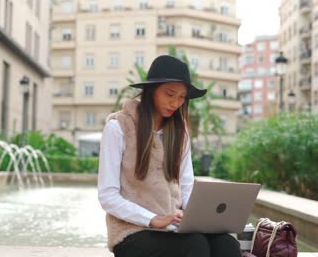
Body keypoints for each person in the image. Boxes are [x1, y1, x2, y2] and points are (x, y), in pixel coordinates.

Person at [98, 55, 241, 257]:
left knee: (227, 244)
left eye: (182, 97)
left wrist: (200, 219)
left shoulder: (179, 133)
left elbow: (186, 185)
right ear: (151, 91)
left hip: (173, 228)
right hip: (132, 232)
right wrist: (153, 219)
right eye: (170, 94)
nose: (176, 102)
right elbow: (107, 196)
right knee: (194, 245)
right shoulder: (119, 127)